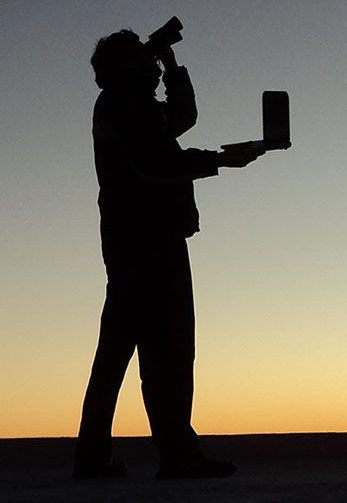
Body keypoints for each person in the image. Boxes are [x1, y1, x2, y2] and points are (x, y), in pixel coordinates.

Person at [74, 28, 261, 479]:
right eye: (143, 58)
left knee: (123, 352)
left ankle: (98, 459)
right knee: (168, 352)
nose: (152, 65)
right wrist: (219, 161)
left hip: (135, 243)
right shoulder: (124, 105)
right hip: (148, 243)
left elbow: (183, 116)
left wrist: (170, 62)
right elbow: (156, 164)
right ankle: (175, 455)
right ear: (126, 67)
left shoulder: (130, 105)